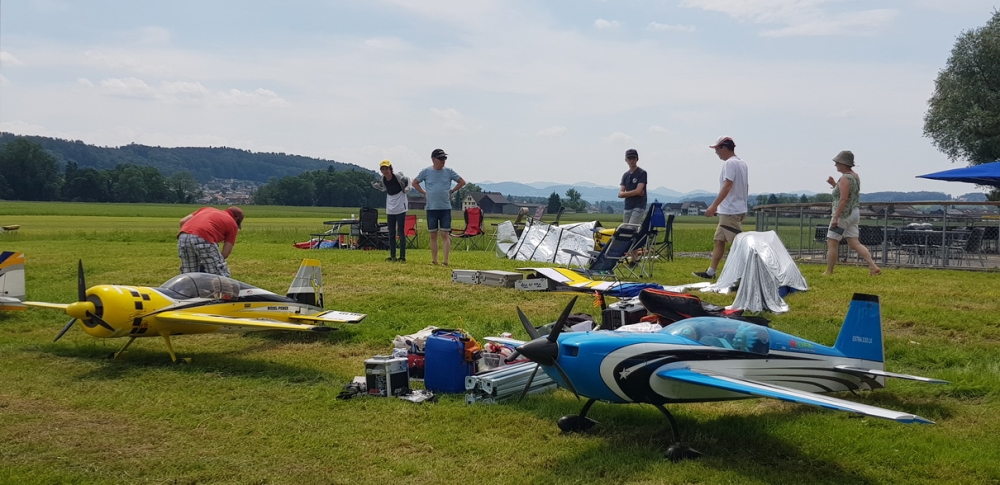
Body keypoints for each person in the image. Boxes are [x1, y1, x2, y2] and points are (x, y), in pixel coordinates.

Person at [694, 136, 749, 280]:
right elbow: (745, 187)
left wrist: (714, 206)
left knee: (737, 245)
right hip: (735, 209)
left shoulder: (729, 164)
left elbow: (727, 186)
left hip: (730, 211)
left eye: (717, 149)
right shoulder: (742, 163)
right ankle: (711, 272)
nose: (716, 153)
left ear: (724, 148)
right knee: (719, 240)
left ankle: (742, 275)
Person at [823, 150, 881, 276]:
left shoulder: (845, 178)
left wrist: (836, 217)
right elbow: (848, 193)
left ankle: (829, 271)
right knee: (854, 242)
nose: (836, 165)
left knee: (832, 242)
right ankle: (873, 266)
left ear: (843, 164)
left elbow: (844, 198)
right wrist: (834, 184)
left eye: (837, 163)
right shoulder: (855, 176)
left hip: (843, 215)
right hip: (854, 213)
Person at [412, 148, 466, 266]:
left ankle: (445, 261)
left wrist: (452, 191)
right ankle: (434, 260)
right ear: (433, 159)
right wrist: (424, 192)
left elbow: (462, 182)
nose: (443, 161)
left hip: (445, 207)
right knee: (433, 235)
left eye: (444, 158)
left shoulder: (449, 171)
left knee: (445, 234)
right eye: (441, 158)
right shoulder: (426, 171)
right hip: (431, 208)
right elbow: (415, 182)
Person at [177, 206, 243, 277]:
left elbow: (182, 221)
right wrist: (212, 260)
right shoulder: (232, 223)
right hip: (204, 237)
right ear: (236, 219)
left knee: (189, 274)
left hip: (183, 236)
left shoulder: (206, 209)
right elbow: (225, 253)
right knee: (220, 274)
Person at [371, 159, 411, 262]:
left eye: (386, 169)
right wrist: (377, 187)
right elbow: (384, 188)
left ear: (390, 169)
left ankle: (402, 257)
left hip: (400, 206)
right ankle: (392, 256)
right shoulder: (383, 179)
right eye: (383, 169)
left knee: (401, 232)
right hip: (390, 206)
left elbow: (408, 180)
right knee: (391, 233)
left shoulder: (397, 177)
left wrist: (407, 189)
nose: (385, 171)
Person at [619, 148, 648, 225]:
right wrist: (635, 193)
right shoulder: (625, 175)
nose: (631, 160)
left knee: (631, 228)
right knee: (624, 229)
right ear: (626, 160)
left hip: (638, 206)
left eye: (633, 158)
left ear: (637, 159)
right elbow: (620, 194)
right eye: (629, 158)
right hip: (627, 206)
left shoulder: (642, 173)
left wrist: (626, 194)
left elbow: (638, 191)